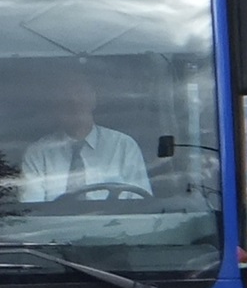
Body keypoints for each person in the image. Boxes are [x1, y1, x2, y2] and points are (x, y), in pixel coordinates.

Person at [20, 69, 151, 202]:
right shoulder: (38, 154)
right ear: (55, 105)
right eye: (66, 96)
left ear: (94, 99)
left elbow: (141, 204)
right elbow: (32, 210)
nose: (75, 101)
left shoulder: (124, 146)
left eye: (80, 92)